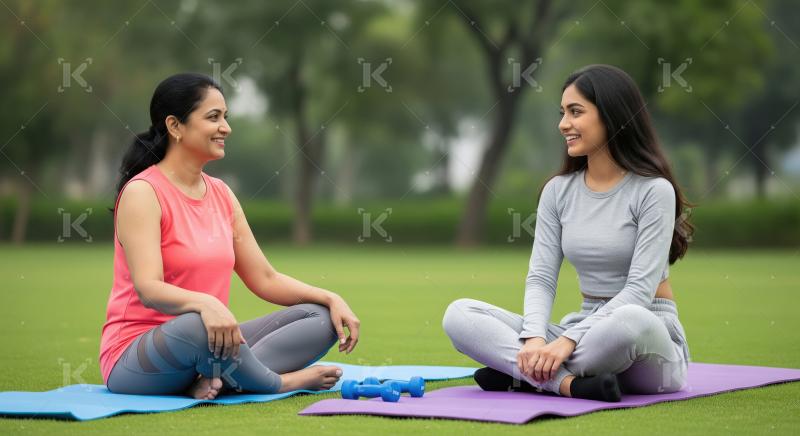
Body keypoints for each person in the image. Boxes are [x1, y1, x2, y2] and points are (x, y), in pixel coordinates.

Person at [99, 73, 360, 400]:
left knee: (320, 319)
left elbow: (265, 277)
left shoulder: (221, 194)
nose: (226, 127)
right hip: (136, 357)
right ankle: (281, 382)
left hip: (211, 344)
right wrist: (205, 304)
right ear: (175, 126)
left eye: (225, 117)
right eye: (213, 117)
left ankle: (214, 379)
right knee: (196, 324)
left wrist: (330, 297)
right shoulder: (143, 192)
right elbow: (148, 288)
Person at [442, 64, 695, 402]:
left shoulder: (653, 191)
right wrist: (534, 338)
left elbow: (638, 292)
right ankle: (567, 384)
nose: (564, 124)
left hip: (644, 339)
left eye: (576, 112)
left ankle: (522, 374)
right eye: (562, 112)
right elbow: (541, 277)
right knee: (459, 314)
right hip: (583, 333)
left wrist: (567, 341)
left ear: (612, 115)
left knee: (629, 319)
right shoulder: (558, 191)